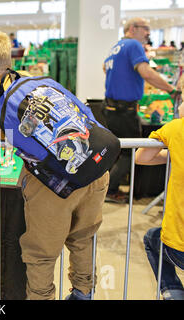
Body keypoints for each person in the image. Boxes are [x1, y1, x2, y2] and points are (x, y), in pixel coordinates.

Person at [0, 28, 109, 300]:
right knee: (83, 238)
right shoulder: (41, 83)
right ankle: (83, 292)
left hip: (55, 185)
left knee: (40, 253)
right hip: (96, 167)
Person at [103, 17, 179, 204]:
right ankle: (110, 190)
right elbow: (146, 72)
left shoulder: (117, 47)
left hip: (110, 107)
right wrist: (172, 90)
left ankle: (107, 187)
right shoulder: (134, 45)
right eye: (145, 28)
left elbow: (105, 68)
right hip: (124, 109)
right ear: (133, 28)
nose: (148, 33)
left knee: (119, 151)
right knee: (131, 153)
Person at [135, 92, 184, 300]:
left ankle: (173, 293)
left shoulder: (176, 129)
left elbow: (142, 157)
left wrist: (173, 150)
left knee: (151, 239)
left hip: (179, 245)